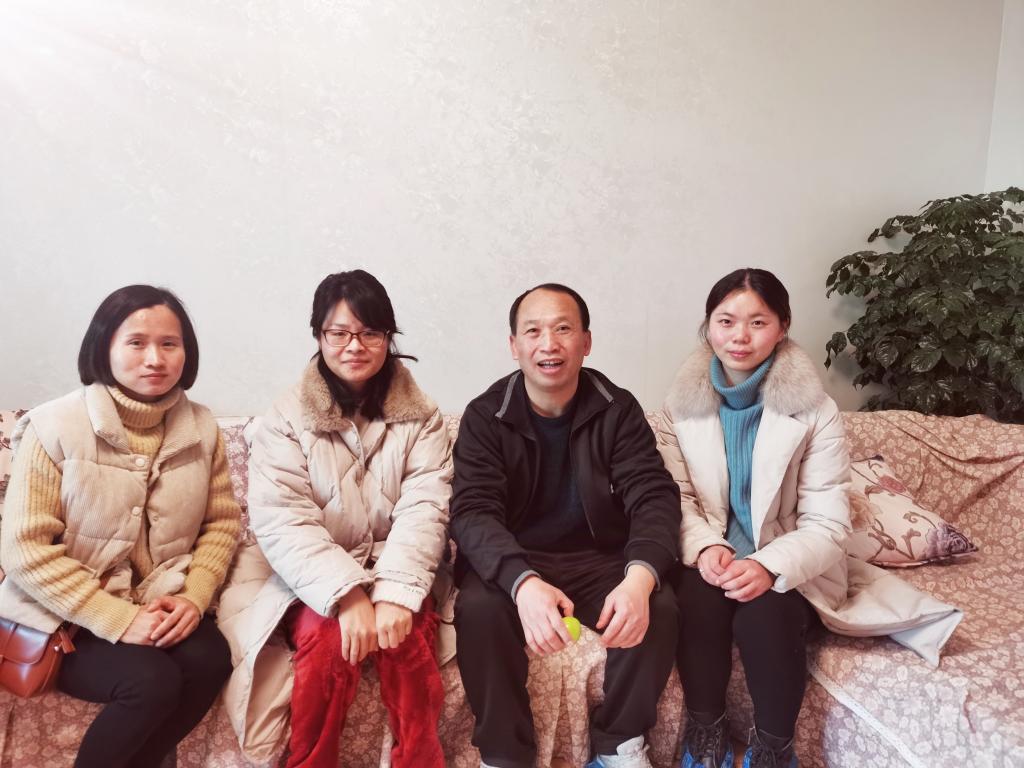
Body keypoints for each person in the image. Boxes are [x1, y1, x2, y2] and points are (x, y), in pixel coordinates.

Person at [656, 268, 962, 768]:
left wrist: (767, 565)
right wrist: (707, 546)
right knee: (695, 601)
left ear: (783, 327)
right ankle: (705, 732)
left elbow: (828, 523)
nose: (739, 336)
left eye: (758, 322)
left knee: (764, 613)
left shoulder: (817, 410)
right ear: (708, 326)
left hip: (791, 559)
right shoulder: (678, 408)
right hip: (712, 555)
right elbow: (676, 499)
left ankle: (774, 749)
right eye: (726, 321)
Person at [217, 269, 453, 768]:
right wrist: (346, 595)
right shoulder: (287, 417)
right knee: (328, 643)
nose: (354, 346)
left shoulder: (422, 416)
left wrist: (394, 594)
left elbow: (426, 507)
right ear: (319, 336)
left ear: (388, 337)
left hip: (397, 564)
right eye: (339, 333)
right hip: (311, 571)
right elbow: (284, 519)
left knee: (408, 640)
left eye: (370, 333)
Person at [0, 285, 241, 768]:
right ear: (103, 347)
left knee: (210, 658)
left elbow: (221, 524)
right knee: (150, 682)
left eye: (169, 344)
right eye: (136, 342)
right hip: (64, 614)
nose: (155, 358)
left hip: (156, 599)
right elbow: (25, 549)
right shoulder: (54, 426)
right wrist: (120, 619)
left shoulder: (201, 427)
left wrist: (194, 598)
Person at [451, 283, 681, 768]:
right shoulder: (485, 416)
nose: (548, 344)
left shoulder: (617, 409)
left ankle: (619, 742)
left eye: (563, 329)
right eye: (533, 331)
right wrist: (522, 582)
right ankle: (504, 756)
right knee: (478, 609)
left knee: (658, 605)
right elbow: (472, 511)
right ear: (513, 345)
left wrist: (639, 578)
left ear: (586, 341)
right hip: (516, 558)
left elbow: (653, 494)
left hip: (598, 558)